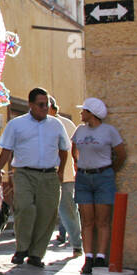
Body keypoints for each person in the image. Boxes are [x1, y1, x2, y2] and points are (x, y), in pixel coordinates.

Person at [0, 87, 69, 268]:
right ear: (31, 105)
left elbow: (64, 149)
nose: (44, 108)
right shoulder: (16, 125)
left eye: (47, 105)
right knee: (25, 207)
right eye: (41, 105)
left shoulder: (56, 125)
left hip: (49, 174)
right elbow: (7, 150)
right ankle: (22, 248)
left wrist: (61, 172)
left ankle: (36, 254)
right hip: (24, 173)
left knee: (46, 214)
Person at [72, 96, 127, 275]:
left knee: (102, 220)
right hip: (83, 177)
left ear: (92, 113)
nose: (81, 112)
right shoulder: (79, 130)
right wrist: (79, 164)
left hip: (103, 176)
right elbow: (74, 150)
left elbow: (121, 154)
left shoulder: (108, 131)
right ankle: (88, 257)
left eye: (84, 110)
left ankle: (101, 256)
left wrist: (109, 169)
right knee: (87, 220)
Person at [48, 96, 83, 258]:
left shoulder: (66, 124)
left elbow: (73, 149)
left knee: (68, 211)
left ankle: (77, 244)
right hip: (44, 176)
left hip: (66, 176)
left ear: (53, 109)